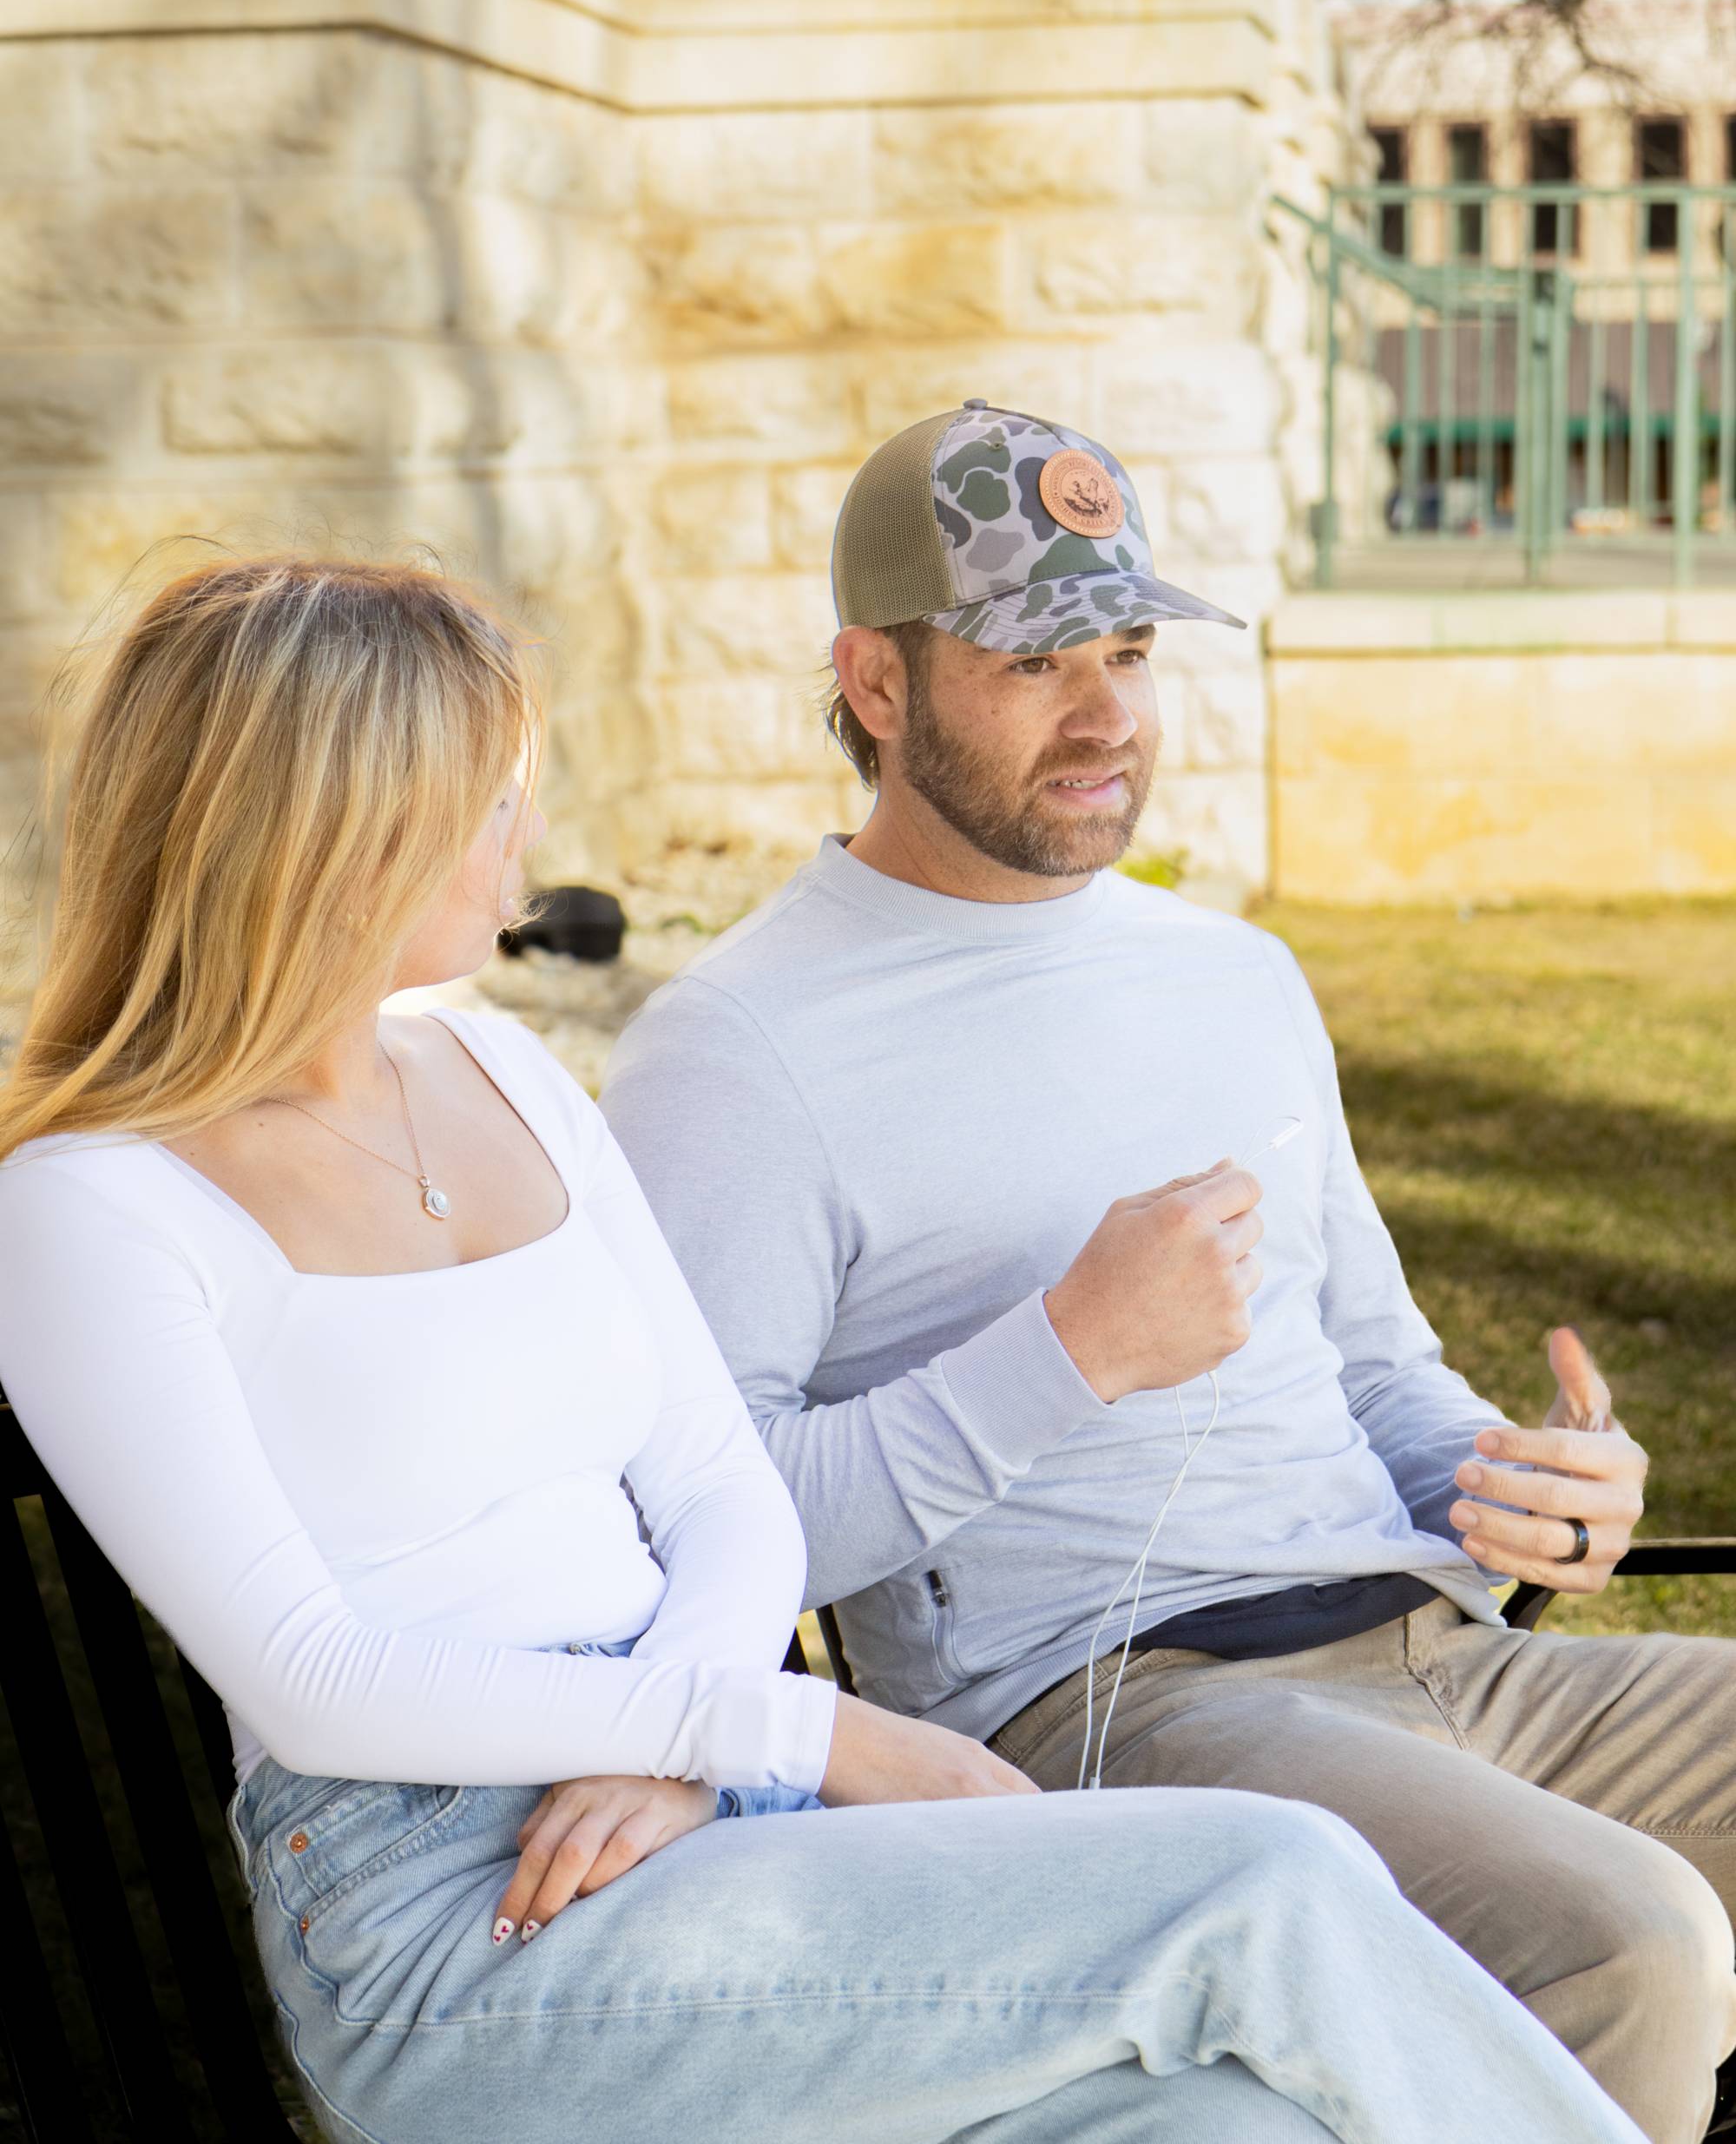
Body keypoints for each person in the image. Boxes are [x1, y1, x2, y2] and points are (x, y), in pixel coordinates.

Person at [0, 553, 1647, 2144]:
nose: (534, 836)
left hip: (713, 1803)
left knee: (1220, 2123)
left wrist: (696, 1747)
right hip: (462, 1915)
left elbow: (722, 1485)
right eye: (495, 797)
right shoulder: (94, 1209)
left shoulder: (496, 1074)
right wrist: (793, 1734)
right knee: (1269, 1887)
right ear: (337, 833)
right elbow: (319, 1682)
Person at [600, 402, 1736, 2144]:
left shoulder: (1237, 977)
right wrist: (1066, 1351)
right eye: (1036, 656)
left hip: (1432, 1637)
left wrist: (1518, 1486)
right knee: (1625, 1941)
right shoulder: (737, 1050)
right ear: (878, 686)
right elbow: (715, 1538)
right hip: (1118, 1710)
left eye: (1128, 647)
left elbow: (1370, 1360)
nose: (1109, 712)